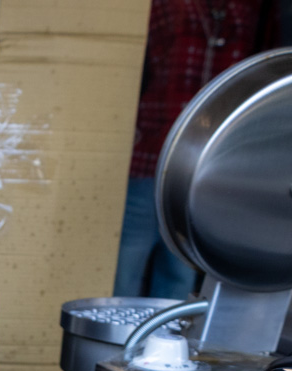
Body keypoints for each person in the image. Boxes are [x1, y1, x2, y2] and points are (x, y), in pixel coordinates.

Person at [113, 0, 275, 300]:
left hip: (209, 164)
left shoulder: (246, 11)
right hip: (152, 151)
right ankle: (116, 341)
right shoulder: (163, 6)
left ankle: (167, 341)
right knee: (127, 261)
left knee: (180, 268)